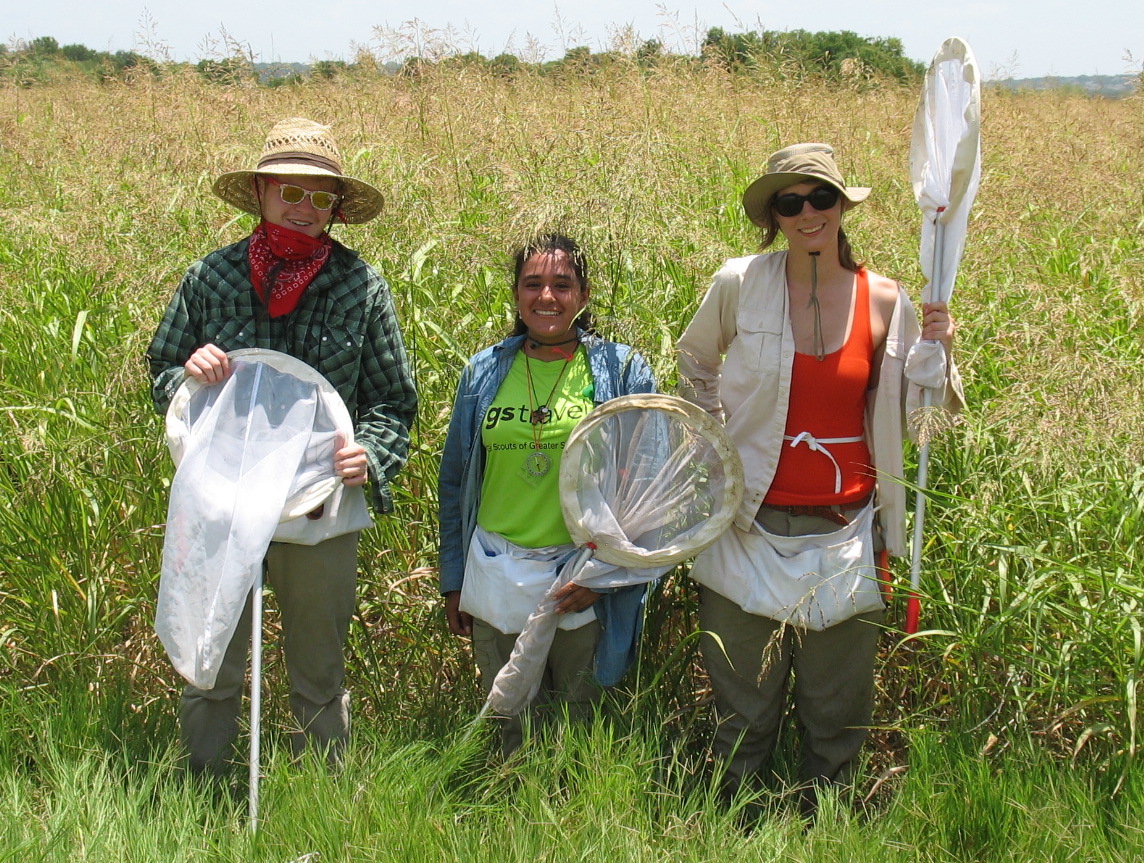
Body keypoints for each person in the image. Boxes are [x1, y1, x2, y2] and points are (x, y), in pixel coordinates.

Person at [676, 143, 963, 813]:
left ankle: (825, 824)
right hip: (747, 526)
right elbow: (695, 362)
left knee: (837, 710)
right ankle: (731, 824)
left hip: (847, 532)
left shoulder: (886, 300)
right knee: (742, 707)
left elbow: (926, 413)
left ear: (842, 206)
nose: (808, 213)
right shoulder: (739, 282)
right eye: (790, 202)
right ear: (773, 216)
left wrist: (938, 354)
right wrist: (713, 448)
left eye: (821, 198)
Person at [146, 117, 418, 773]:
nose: (303, 207)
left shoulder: (361, 286)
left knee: (319, 673)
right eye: (289, 191)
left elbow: (392, 402)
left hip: (321, 503)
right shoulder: (210, 278)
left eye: (319, 196)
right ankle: (202, 788)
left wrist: (371, 456)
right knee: (210, 660)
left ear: (337, 209)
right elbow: (161, 371)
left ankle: (321, 801)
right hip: (221, 501)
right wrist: (191, 371)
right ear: (262, 192)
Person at [438, 234, 656, 754]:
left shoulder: (621, 372)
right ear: (515, 295)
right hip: (496, 570)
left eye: (563, 284)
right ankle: (509, 820)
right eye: (533, 284)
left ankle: (576, 824)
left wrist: (608, 576)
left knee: (581, 727)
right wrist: (454, 580)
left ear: (583, 296)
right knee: (506, 719)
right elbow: (454, 482)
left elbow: (652, 485)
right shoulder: (485, 372)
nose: (547, 297)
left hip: (582, 579)